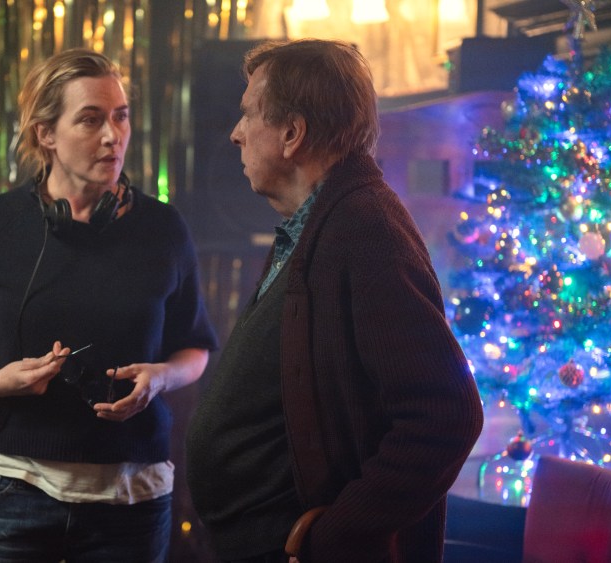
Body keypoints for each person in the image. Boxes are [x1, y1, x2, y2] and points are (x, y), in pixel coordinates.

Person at [185, 39, 484, 563]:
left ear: (293, 133)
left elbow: (445, 415)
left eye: (249, 115)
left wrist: (337, 536)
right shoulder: (316, 224)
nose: (235, 133)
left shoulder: (365, 230)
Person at [0, 48, 217, 563]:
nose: (113, 135)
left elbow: (194, 348)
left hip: (130, 499)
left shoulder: (164, 229)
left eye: (120, 116)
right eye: (90, 119)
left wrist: (162, 377)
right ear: (46, 133)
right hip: (10, 489)